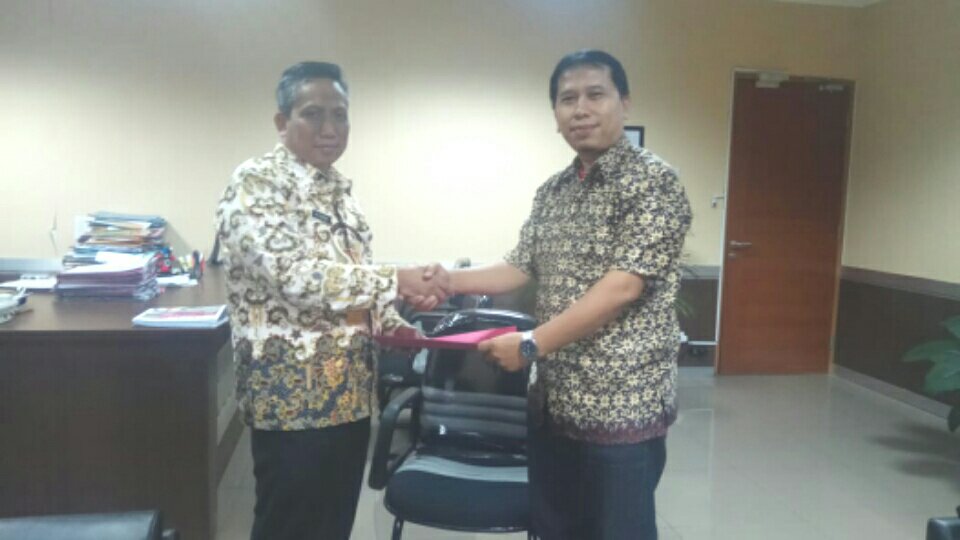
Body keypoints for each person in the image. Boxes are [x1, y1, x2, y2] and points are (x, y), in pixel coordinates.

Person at [440, 50, 692, 539]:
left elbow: (623, 286)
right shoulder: (553, 191)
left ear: (625, 103)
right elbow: (518, 266)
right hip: (555, 402)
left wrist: (531, 344)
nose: (581, 110)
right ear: (555, 115)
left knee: (618, 531)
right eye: (567, 99)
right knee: (554, 528)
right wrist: (445, 280)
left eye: (596, 95)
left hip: (621, 405)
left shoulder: (653, 182)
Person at [215, 61, 448, 540]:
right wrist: (396, 280)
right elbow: (293, 276)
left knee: (332, 523)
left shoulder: (341, 192)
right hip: (292, 397)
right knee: (288, 525)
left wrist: (394, 322)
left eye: (340, 115)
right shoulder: (257, 182)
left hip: (349, 395)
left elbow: (352, 278)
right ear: (282, 122)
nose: (330, 128)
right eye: (313, 114)